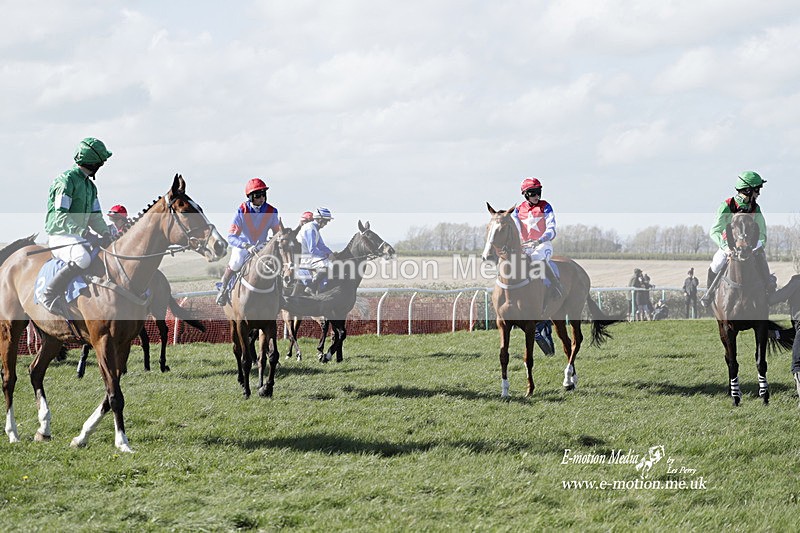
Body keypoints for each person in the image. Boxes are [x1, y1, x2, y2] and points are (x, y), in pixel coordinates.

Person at [41, 137, 113, 313]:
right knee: (83, 258)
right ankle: (48, 295)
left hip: (79, 236)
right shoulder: (66, 181)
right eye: (100, 162)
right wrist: (84, 232)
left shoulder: (90, 187)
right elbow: (60, 217)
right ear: (93, 161)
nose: (101, 165)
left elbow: (96, 216)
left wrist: (105, 233)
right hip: (60, 236)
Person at [701, 171, 773, 306]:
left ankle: (768, 291)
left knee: (761, 259)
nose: (758, 194)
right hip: (729, 246)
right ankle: (709, 294)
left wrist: (754, 248)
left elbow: (762, 235)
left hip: (750, 248)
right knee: (716, 264)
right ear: (748, 190)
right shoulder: (727, 206)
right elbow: (715, 231)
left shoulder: (755, 208)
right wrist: (726, 248)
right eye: (757, 190)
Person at [215, 178, 280, 306]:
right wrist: (245, 245)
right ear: (250, 197)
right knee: (236, 261)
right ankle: (223, 290)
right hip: (243, 247)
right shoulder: (242, 210)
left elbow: (277, 234)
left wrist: (268, 244)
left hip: (262, 248)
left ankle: (280, 297)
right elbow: (231, 236)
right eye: (258, 196)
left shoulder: (272, 211)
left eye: (263, 195)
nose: (261, 198)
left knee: (276, 265)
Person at [512, 177, 564, 304]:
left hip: (543, 245)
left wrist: (539, 241)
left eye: (538, 192)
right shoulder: (517, 210)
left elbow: (552, 229)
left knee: (536, 258)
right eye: (532, 193)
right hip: (524, 246)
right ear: (525, 194)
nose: (537, 196)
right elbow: (515, 229)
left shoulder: (546, 206)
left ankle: (555, 287)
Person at [769, 275, 800, 400]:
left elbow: (772, 300)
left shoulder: (797, 281)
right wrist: (777, 334)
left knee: (797, 364)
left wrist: (770, 285)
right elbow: (796, 332)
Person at [297, 207, 335, 293]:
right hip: (304, 257)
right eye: (325, 221)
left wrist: (331, 253)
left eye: (327, 221)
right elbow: (312, 249)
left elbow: (321, 245)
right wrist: (327, 255)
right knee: (327, 265)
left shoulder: (315, 229)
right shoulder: (310, 229)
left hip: (310, 256)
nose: (326, 223)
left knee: (330, 262)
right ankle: (312, 287)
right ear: (319, 219)